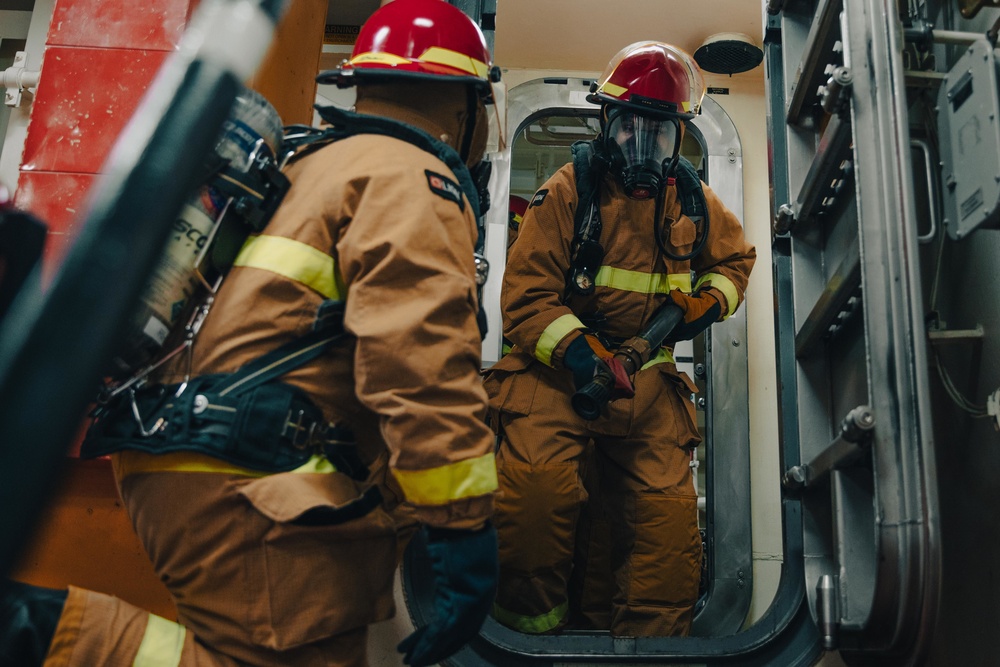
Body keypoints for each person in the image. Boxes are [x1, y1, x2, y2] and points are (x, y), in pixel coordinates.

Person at [1, 1, 501, 665]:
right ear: (465, 104)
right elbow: (421, 358)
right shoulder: (415, 177)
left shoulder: (303, 163)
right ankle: (25, 631)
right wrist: (462, 525)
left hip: (183, 458)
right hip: (256, 475)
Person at [485, 41, 756, 637]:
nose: (642, 144)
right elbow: (526, 299)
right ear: (607, 122)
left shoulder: (694, 201)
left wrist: (704, 305)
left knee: (664, 532)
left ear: (678, 136)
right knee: (533, 500)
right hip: (556, 376)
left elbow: (735, 265)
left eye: (658, 132)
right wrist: (584, 357)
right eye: (630, 125)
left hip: (648, 386)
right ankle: (526, 639)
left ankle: (644, 648)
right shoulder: (567, 191)